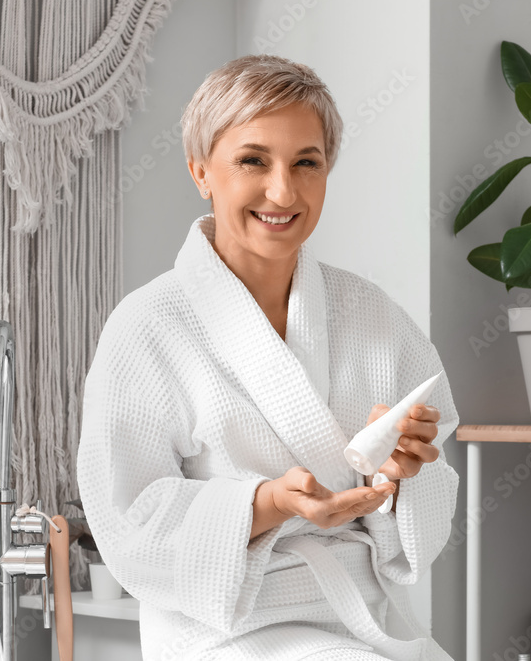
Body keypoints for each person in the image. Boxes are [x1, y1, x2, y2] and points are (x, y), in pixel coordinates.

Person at [76, 55, 459, 660]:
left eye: (306, 163)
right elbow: (130, 524)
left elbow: (424, 522)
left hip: (357, 619)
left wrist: (402, 475)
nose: (282, 191)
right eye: (253, 160)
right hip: (221, 630)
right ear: (201, 170)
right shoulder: (148, 327)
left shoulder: (374, 316)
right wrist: (267, 503)